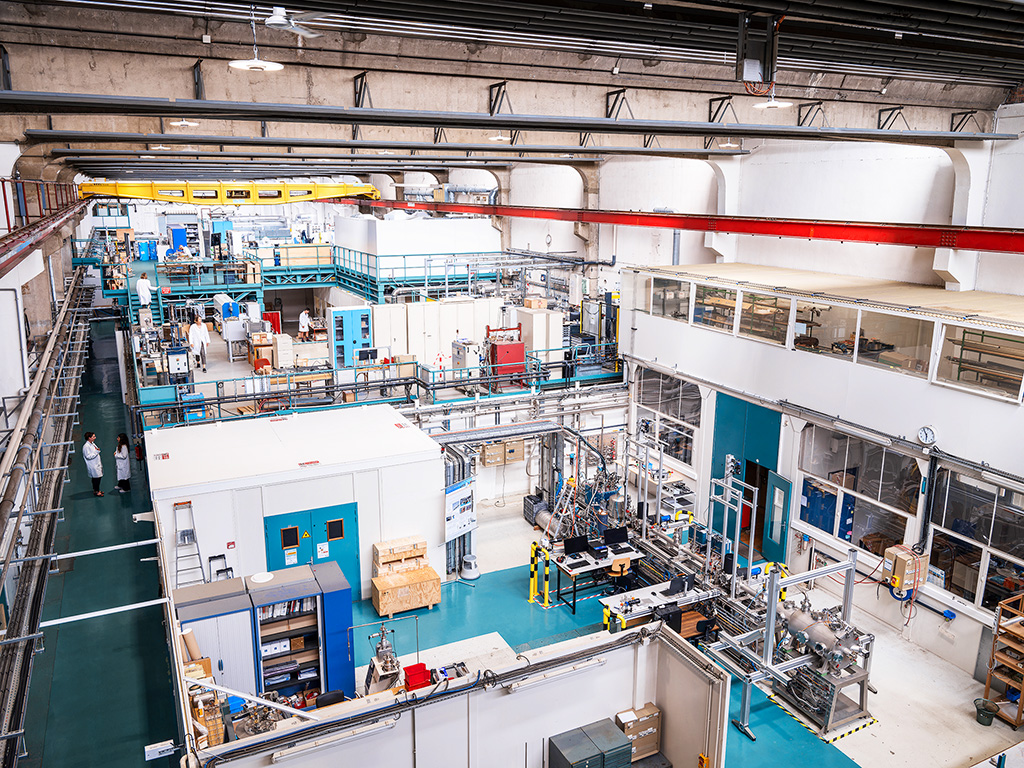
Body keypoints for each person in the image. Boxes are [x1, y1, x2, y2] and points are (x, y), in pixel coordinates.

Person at [82, 431, 103, 497]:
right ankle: (96, 491)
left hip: (96, 463)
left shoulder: (92, 443)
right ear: (89, 438)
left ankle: (96, 490)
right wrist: (96, 452)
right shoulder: (86, 446)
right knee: (96, 479)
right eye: (93, 436)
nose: (95, 437)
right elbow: (88, 456)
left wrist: (97, 450)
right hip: (93, 465)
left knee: (96, 478)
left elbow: (95, 450)